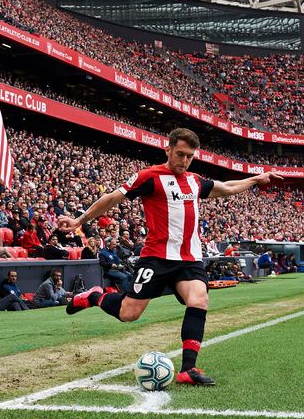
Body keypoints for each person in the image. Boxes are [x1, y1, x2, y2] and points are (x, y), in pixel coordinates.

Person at [59, 127, 282, 386]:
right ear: (168, 149)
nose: (184, 160)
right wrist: (79, 220)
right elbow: (111, 199)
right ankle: (93, 296)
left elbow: (227, 188)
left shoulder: (195, 181)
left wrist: (255, 179)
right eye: (180, 154)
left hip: (189, 259)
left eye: (189, 156)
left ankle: (189, 369)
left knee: (199, 299)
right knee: (128, 313)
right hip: (156, 258)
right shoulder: (149, 177)